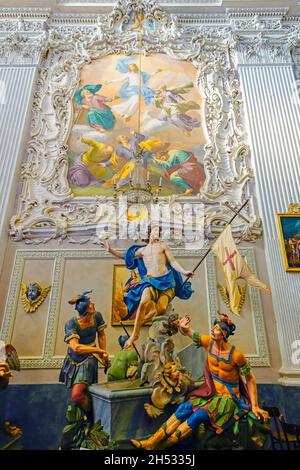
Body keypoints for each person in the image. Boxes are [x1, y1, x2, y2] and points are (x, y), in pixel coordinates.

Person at [131, 312, 269, 450]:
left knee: (198, 416)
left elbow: (250, 378)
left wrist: (255, 405)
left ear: (224, 334)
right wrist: (181, 324)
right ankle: (152, 442)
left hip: (228, 400)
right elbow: (189, 332)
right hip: (211, 394)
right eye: (214, 327)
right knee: (183, 408)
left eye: (216, 329)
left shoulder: (236, 355)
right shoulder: (209, 343)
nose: (212, 330)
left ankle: (162, 447)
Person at [101, 226, 193, 349]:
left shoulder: (163, 246)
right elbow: (125, 256)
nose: (157, 233)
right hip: (150, 280)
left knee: (161, 309)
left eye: (158, 231)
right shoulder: (142, 251)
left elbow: (173, 262)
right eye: (155, 230)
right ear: (149, 233)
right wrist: (111, 250)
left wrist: (184, 272)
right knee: (143, 302)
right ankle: (134, 335)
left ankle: (148, 327)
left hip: (166, 281)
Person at [59, 291, 110, 421]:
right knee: (79, 394)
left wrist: (103, 353)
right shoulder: (71, 324)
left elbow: (102, 334)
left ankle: (91, 417)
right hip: (73, 359)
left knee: (77, 394)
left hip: (89, 358)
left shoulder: (97, 317)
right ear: (83, 313)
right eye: (90, 312)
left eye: (93, 311)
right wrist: (99, 350)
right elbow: (76, 347)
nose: (93, 314)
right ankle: (85, 419)